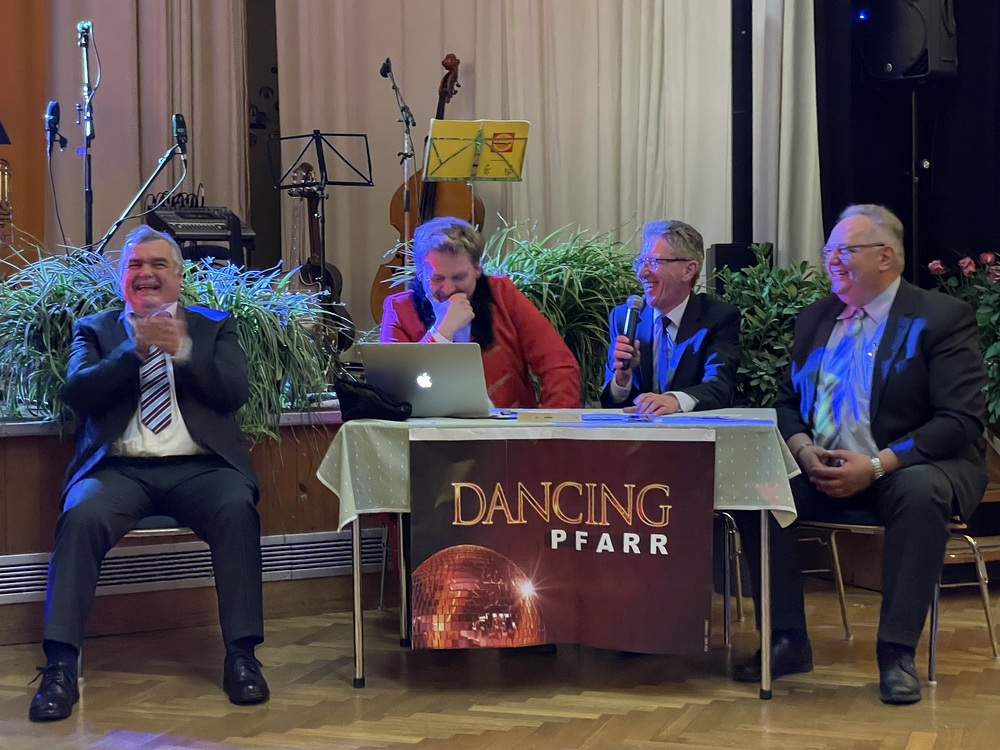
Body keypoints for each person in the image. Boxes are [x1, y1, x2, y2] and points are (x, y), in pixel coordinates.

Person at [733, 204, 988, 705]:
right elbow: (785, 403)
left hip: (908, 467)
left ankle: (896, 653)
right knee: (759, 488)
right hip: (824, 468)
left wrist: (876, 465)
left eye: (844, 250)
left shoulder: (939, 318)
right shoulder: (815, 318)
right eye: (827, 250)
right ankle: (786, 640)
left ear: (885, 256)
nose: (830, 260)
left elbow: (960, 420)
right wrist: (803, 450)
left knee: (920, 492)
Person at [29, 226, 268, 722]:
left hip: (201, 469)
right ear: (122, 279)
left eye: (158, 264)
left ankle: (242, 657)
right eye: (135, 265)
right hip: (118, 472)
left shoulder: (214, 325)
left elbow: (233, 393)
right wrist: (132, 351)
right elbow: (79, 394)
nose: (146, 274)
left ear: (178, 277)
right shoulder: (95, 329)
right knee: (81, 514)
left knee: (235, 507)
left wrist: (183, 351)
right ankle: (60, 667)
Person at [381, 216, 581, 408]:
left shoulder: (502, 294)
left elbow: (559, 365)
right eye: (437, 278)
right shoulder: (399, 309)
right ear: (420, 273)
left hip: (506, 428)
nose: (448, 289)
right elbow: (395, 391)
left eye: (459, 277)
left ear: (477, 268)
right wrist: (442, 330)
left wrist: (547, 427)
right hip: (426, 429)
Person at [600, 219, 741, 414]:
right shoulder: (624, 317)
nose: (642, 273)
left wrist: (674, 401)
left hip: (694, 432)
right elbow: (611, 402)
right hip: (636, 431)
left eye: (653, 262)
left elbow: (719, 387)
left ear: (688, 270)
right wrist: (622, 380)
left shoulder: (718, 318)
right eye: (640, 262)